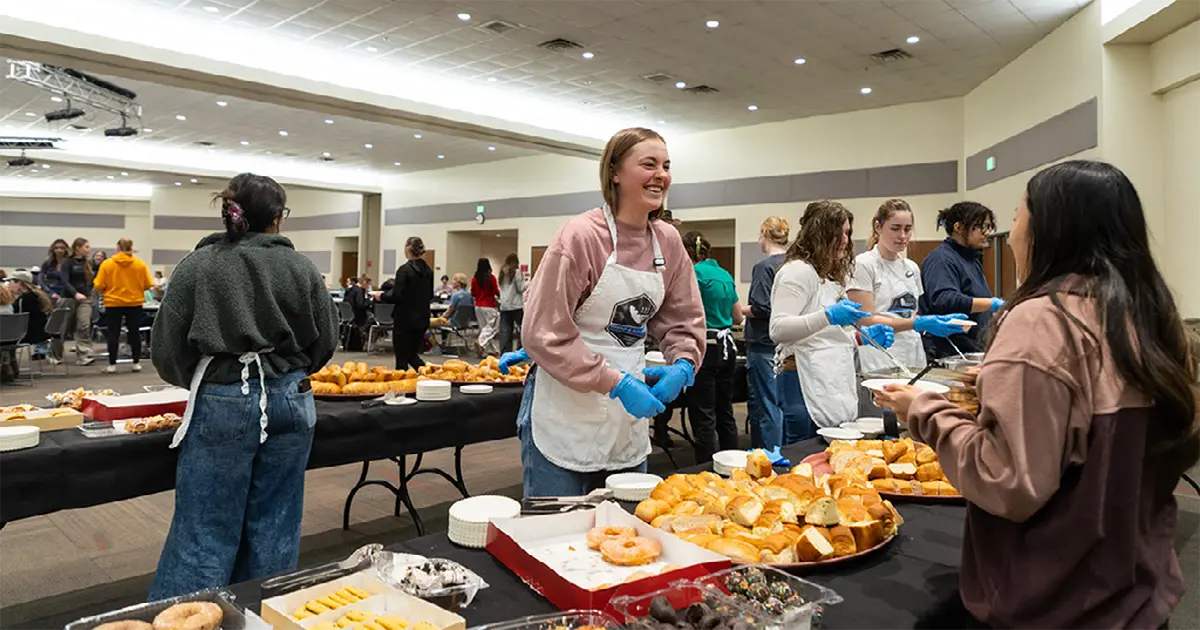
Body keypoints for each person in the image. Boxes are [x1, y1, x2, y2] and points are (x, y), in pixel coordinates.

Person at [875, 161, 1198, 630]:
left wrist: (924, 409)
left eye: (1018, 213)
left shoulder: (1042, 321)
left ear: (1051, 229)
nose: (1008, 231)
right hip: (1135, 594)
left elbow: (1008, 479)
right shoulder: (1151, 317)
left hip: (1056, 601)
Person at [148, 172, 337, 599]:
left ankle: (191, 621)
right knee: (276, 524)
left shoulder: (199, 265)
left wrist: (207, 378)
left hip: (224, 399)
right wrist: (289, 371)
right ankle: (262, 614)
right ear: (276, 218)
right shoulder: (301, 267)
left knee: (205, 526)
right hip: (292, 399)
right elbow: (326, 341)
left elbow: (165, 348)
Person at [519, 126, 704, 498]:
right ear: (615, 172)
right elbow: (543, 331)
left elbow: (685, 317)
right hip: (566, 408)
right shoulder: (581, 237)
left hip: (627, 418)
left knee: (625, 534)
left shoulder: (667, 241)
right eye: (648, 164)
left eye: (666, 166)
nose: (661, 175)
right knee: (556, 534)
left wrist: (684, 362)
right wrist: (614, 381)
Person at [769, 200, 894, 440]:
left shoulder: (829, 275)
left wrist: (861, 338)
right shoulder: (797, 271)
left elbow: (827, 337)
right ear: (821, 234)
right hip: (802, 381)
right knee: (806, 454)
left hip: (831, 379)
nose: (846, 240)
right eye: (840, 233)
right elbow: (778, 329)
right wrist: (828, 315)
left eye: (847, 233)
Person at [848, 199, 971, 373]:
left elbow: (911, 313)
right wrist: (918, 323)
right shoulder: (863, 265)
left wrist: (939, 323)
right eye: (895, 228)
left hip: (912, 354)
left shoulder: (911, 267)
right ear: (878, 227)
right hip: (879, 357)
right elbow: (864, 320)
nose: (903, 236)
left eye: (907, 229)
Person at [683, 231, 742, 464]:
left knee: (703, 416)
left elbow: (684, 310)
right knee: (725, 412)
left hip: (705, 348)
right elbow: (737, 317)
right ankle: (733, 466)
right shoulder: (724, 274)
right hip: (728, 347)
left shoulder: (693, 274)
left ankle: (705, 471)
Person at [919, 201, 1005, 360]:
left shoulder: (971, 259)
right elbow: (944, 300)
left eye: (988, 227)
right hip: (948, 352)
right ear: (958, 227)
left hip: (971, 348)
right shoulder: (941, 259)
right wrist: (990, 303)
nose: (986, 233)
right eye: (981, 227)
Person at [742, 217, 789, 450]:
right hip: (786, 345)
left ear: (764, 235)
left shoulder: (764, 267)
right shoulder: (792, 264)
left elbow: (762, 307)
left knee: (765, 404)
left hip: (762, 345)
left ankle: (768, 455)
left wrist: (740, 310)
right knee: (783, 403)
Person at [92, 238, 154, 373]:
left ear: (118, 248)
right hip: (134, 302)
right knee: (134, 332)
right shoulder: (140, 264)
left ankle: (112, 365)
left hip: (113, 303)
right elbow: (148, 284)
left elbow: (99, 285)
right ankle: (136, 362)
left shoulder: (107, 264)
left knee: (113, 333)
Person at [379, 236, 434, 370]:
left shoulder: (404, 270)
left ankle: (403, 387)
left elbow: (397, 295)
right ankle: (428, 375)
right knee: (411, 355)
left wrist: (382, 296)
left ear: (407, 249)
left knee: (402, 359)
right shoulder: (428, 271)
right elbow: (430, 295)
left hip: (404, 320)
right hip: (422, 319)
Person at [59, 237, 96, 366]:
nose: (88, 249)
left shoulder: (88, 263)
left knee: (84, 325)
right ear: (77, 248)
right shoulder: (67, 262)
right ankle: (56, 353)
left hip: (85, 298)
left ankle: (85, 354)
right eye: (86, 247)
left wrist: (90, 292)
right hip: (68, 298)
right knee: (63, 327)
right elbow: (64, 281)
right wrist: (75, 293)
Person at [8, 269, 52, 359]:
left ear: (19, 283)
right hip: (41, 334)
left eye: (10, 282)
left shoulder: (23, 300)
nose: (8, 285)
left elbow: (17, 320)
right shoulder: (38, 295)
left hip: (27, 334)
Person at [471, 258, 500, 356]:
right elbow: (496, 291)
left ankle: (491, 351)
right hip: (489, 305)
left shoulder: (474, 279)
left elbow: (473, 293)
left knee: (484, 328)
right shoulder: (491, 278)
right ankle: (480, 342)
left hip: (478, 306)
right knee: (492, 328)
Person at [497, 253, 526, 354]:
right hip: (516, 305)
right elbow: (521, 288)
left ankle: (505, 352)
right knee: (522, 329)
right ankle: (521, 351)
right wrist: (529, 283)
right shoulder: (516, 272)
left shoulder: (501, 273)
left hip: (504, 306)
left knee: (505, 332)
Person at [342, 276, 369, 351]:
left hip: (348, 315)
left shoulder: (349, 290)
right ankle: (369, 342)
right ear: (364, 283)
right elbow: (360, 304)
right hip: (357, 317)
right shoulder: (359, 291)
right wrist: (368, 302)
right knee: (371, 319)